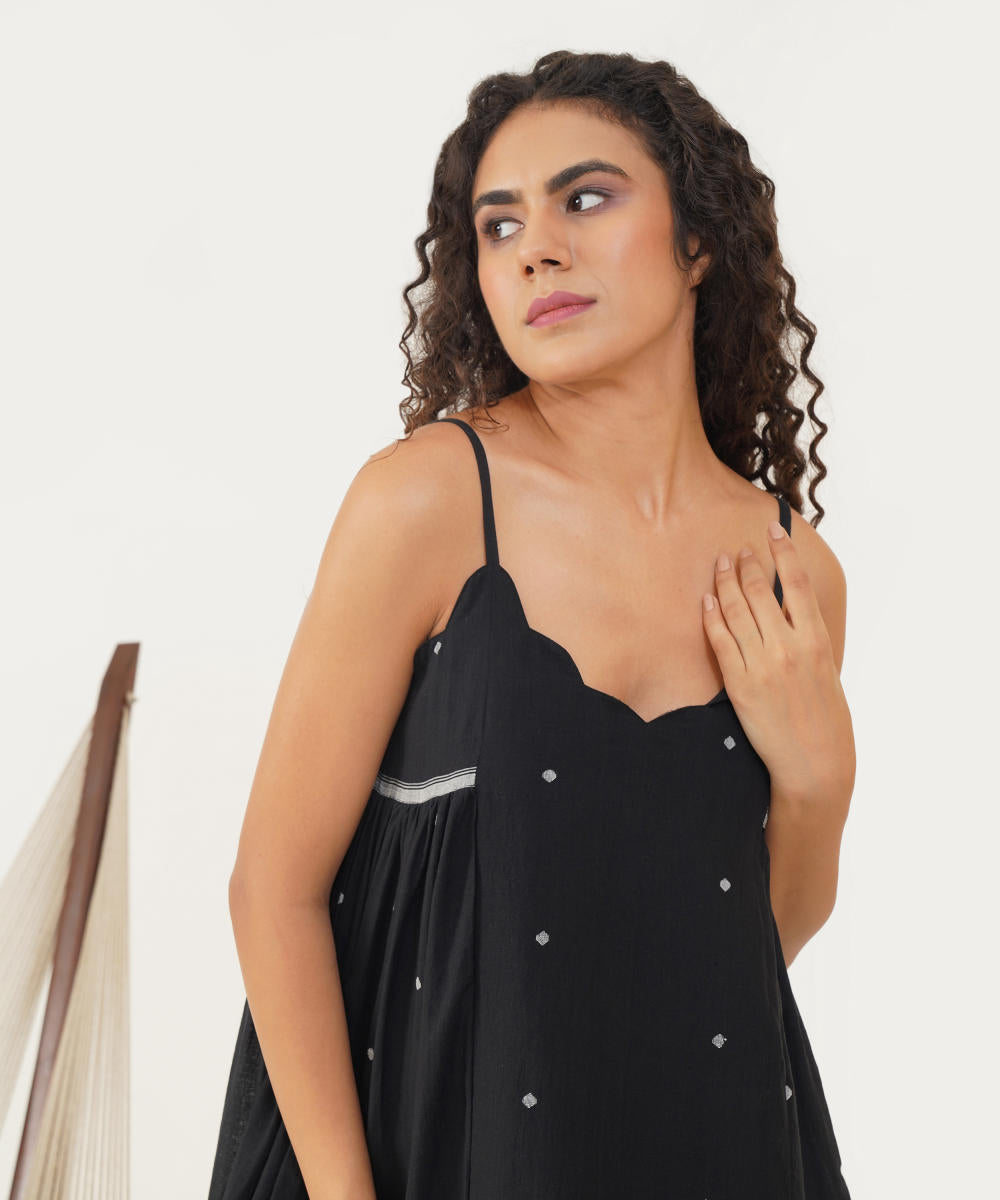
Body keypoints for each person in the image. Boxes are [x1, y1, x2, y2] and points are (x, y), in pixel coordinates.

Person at [208, 49, 855, 1200]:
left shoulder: (787, 568)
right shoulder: (428, 501)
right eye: (498, 225)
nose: (535, 249)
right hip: (439, 1154)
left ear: (698, 241)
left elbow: (745, 947)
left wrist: (818, 786)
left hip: (715, 1144)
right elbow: (274, 889)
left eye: (586, 199)